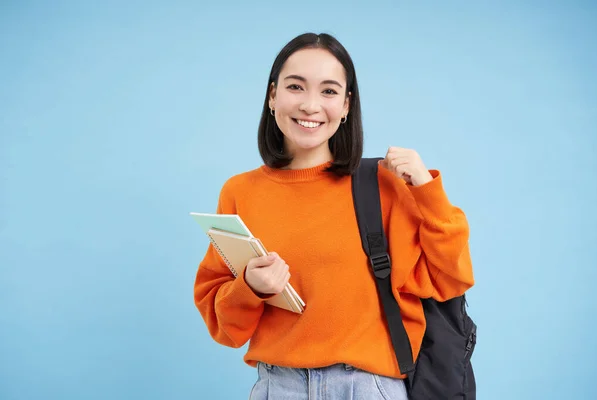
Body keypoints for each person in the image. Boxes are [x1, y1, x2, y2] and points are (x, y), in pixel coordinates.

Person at [193, 32, 474, 400]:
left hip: (367, 387)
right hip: (277, 387)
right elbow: (225, 327)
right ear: (272, 95)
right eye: (296, 86)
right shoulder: (240, 192)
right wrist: (251, 288)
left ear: (346, 105)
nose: (311, 105)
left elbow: (451, 278)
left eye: (328, 91)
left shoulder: (383, 186)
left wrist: (426, 189)